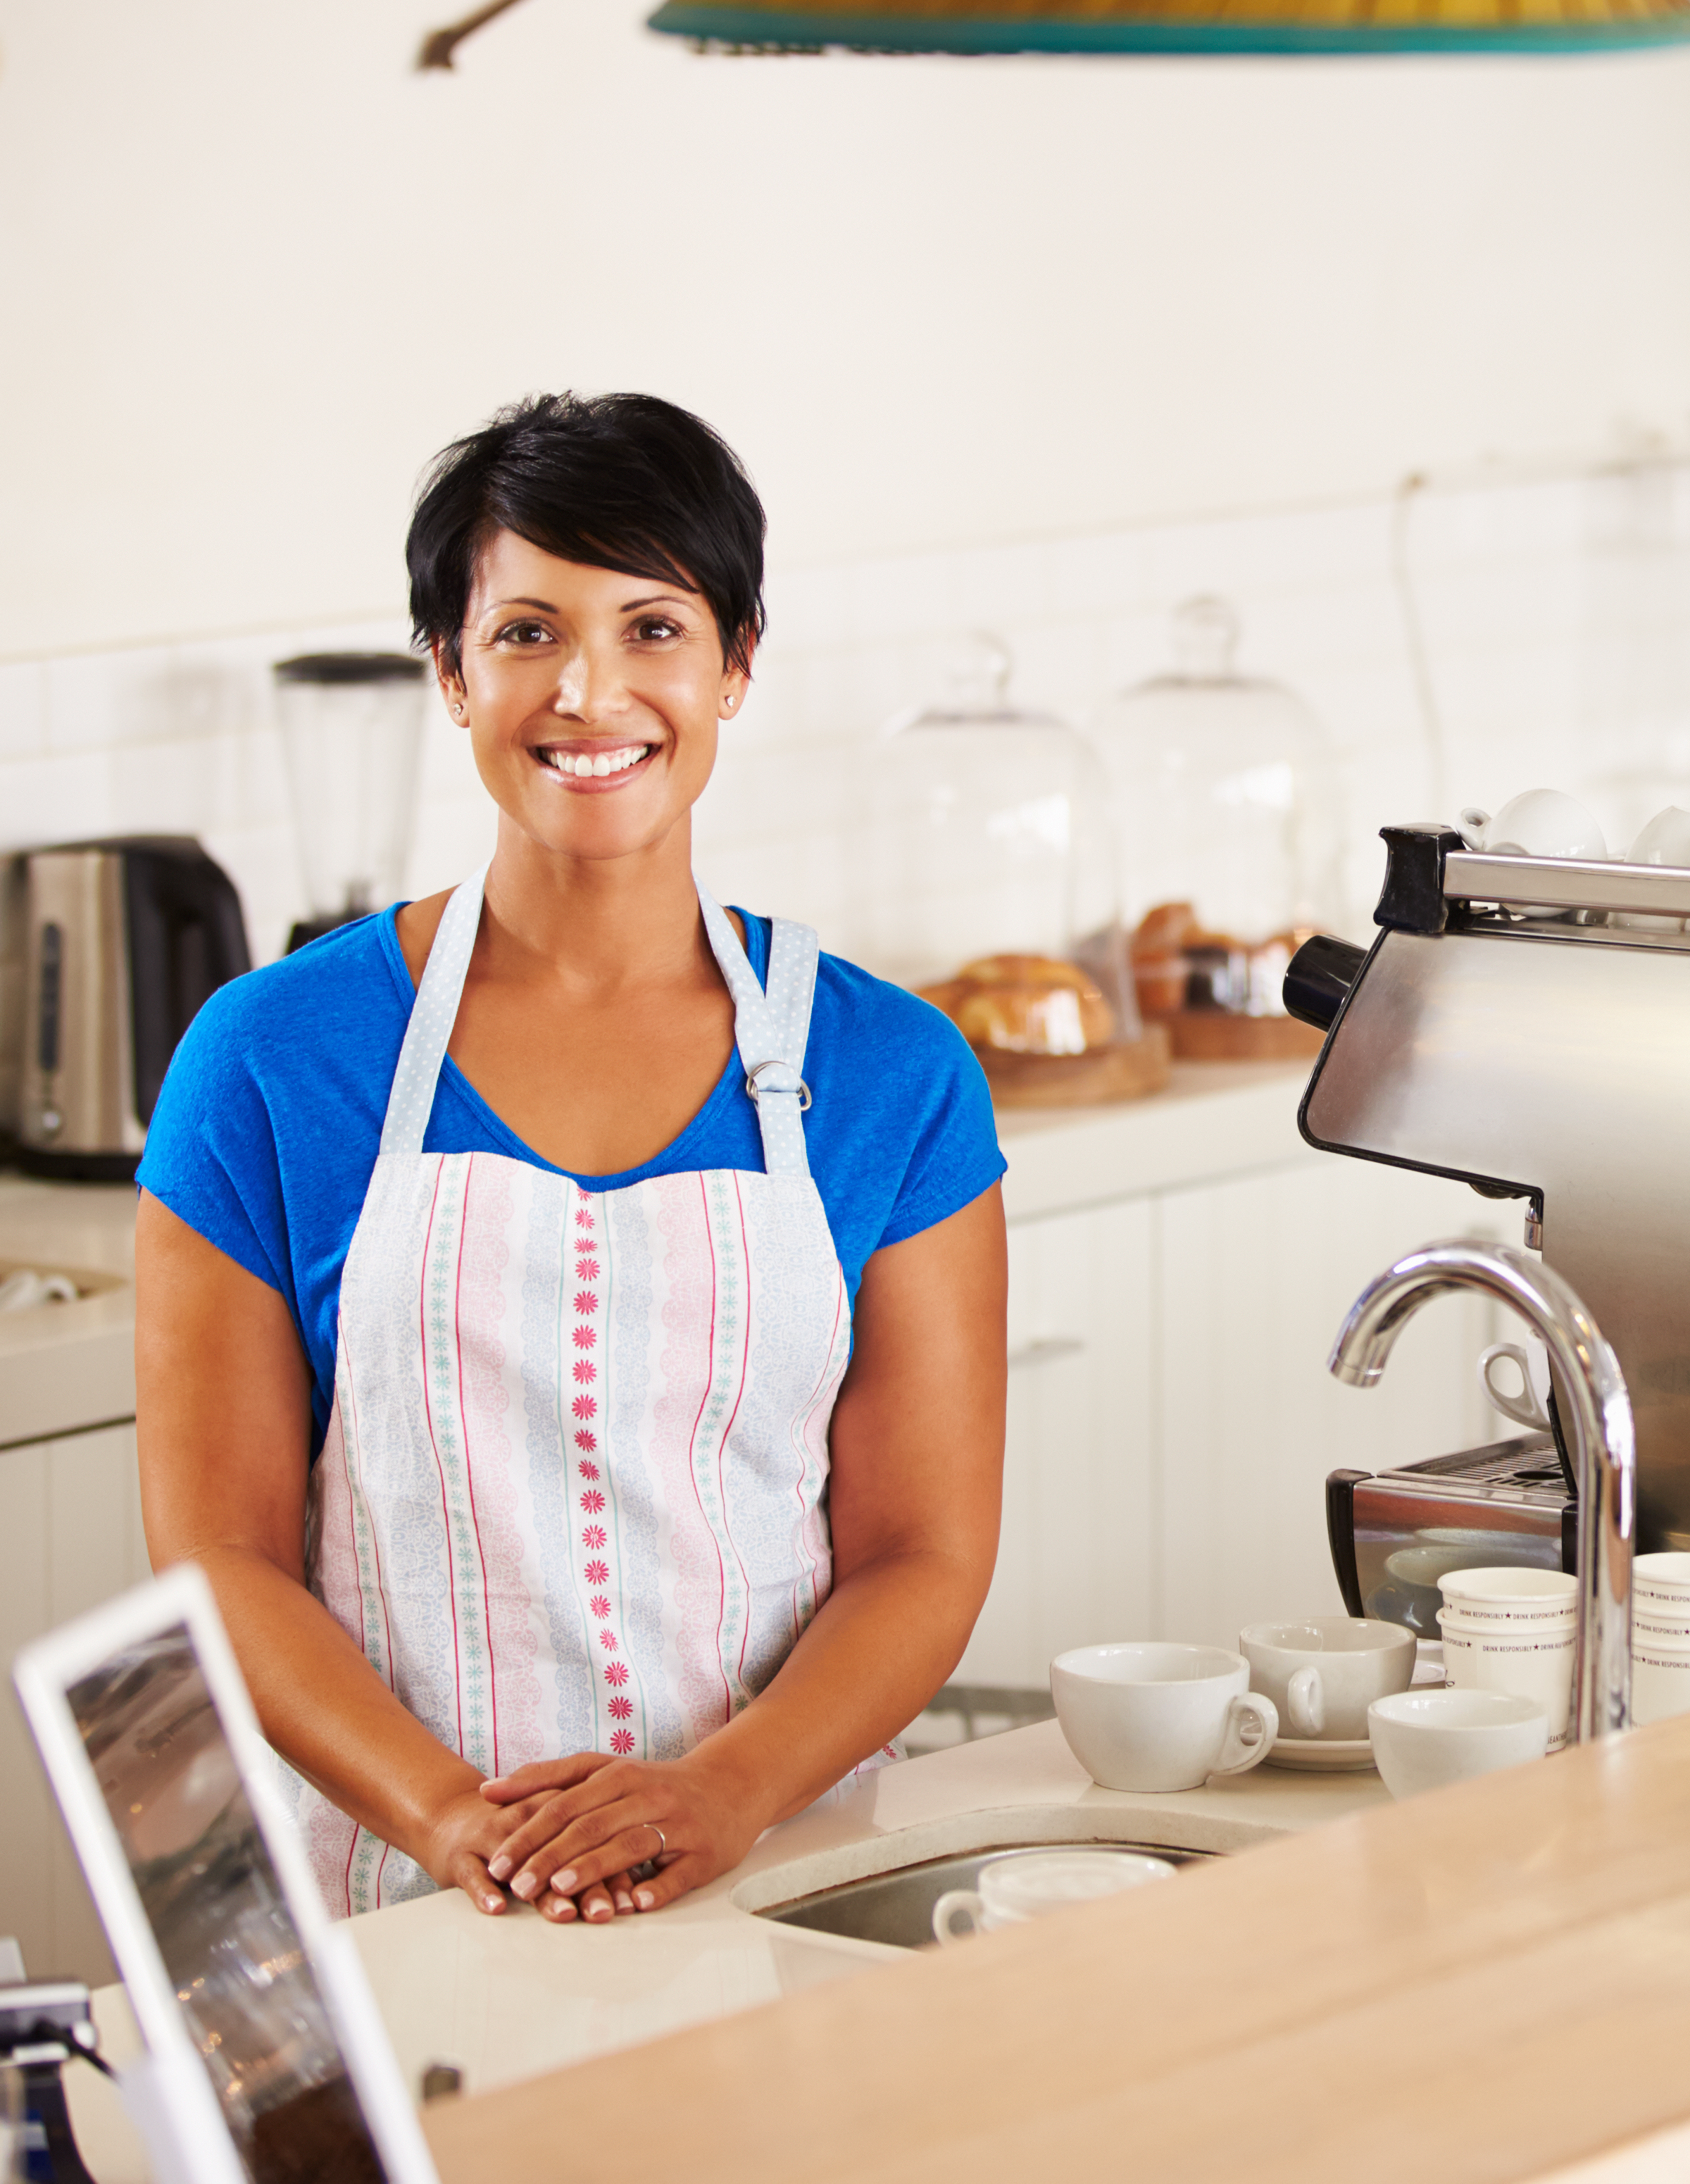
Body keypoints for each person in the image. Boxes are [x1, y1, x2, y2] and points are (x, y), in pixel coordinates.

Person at [136, 392, 1007, 1926]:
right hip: (395, 1906)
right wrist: (446, 1819)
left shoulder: (893, 1073)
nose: (590, 693)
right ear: (450, 674)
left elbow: (921, 1556)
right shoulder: (270, 1059)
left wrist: (724, 1789)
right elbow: (220, 1558)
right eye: (528, 632)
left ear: (736, 667)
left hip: (779, 1879)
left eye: (652, 629)